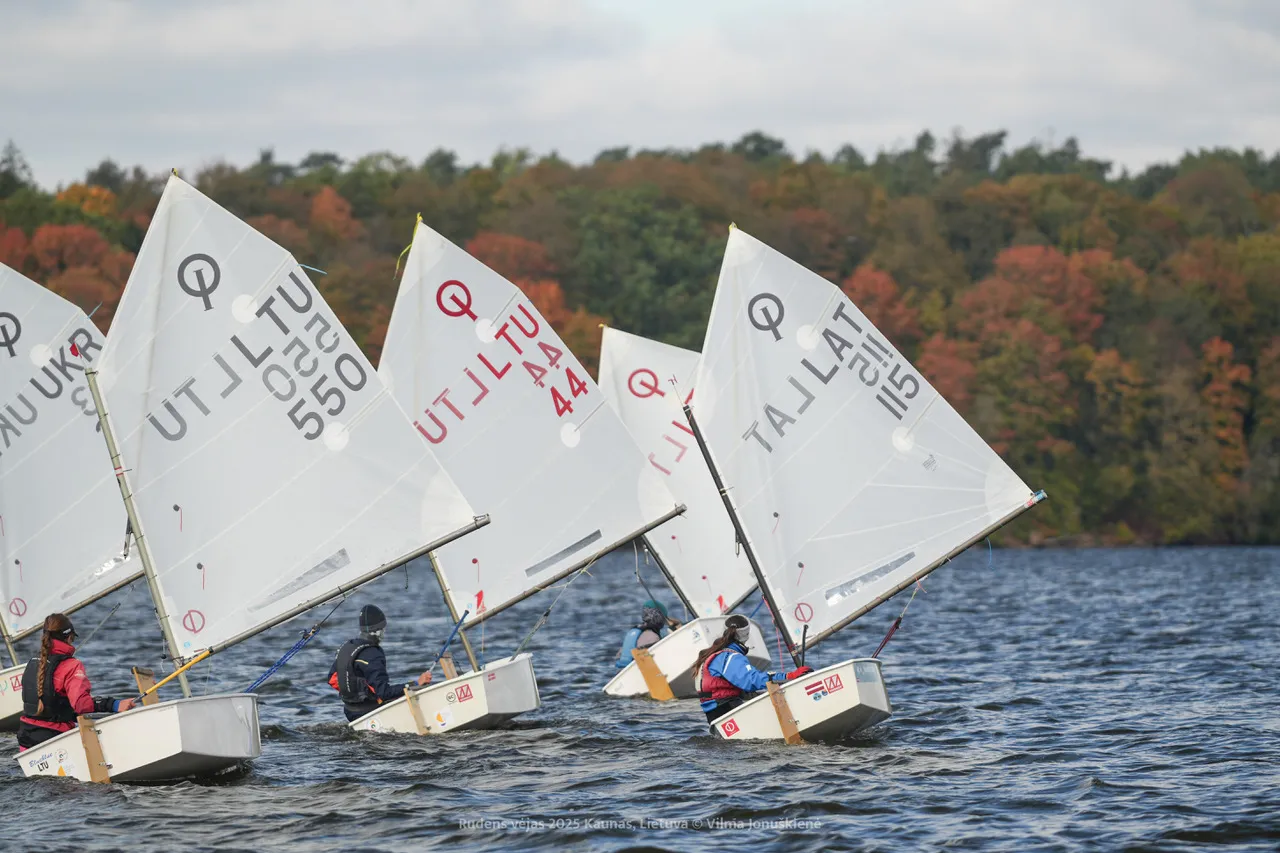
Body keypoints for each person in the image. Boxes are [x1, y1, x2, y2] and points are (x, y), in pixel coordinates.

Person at [17, 613, 135, 751]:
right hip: (54, 739)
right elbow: (81, 705)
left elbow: (49, 705)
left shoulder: (32, 662)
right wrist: (114, 705)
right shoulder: (72, 666)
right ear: (69, 637)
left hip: (26, 739)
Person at [694, 614, 812, 732]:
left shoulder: (713, 654)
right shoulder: (729, 657)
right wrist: (789, 676)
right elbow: (752, 680)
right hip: (726, 712)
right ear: (746, 635)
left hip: (718, 717)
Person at [327, 605, 432, 722]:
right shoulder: (373, 653)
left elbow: (332, 679)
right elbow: (384, 693)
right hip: (369, 712)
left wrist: (355, 690)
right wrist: (416, 683)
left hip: (350, 711)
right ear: (378, 632)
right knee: (418, 694)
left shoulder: (347, 647)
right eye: (383, 629)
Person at [614, 599, 682, 669]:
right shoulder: (653, 637)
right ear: (659, 617)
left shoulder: (634, 632)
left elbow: (618, 656)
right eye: (664, 618)